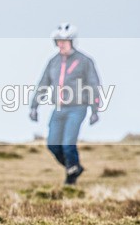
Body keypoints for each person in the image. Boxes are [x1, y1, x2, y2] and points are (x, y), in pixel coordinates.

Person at [29, 23, 101, 185]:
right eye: (58, 41)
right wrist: (34, 106)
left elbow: (94, 85)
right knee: (53, 145)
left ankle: (71, 177)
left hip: (77, 108)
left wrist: (95, 109)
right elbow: (43, 84)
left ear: (72, 41)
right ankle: (74, 167)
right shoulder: (53, 62)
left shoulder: (85, 61)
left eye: (64, 41)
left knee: (68, 144)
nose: (60, 44)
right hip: (59, 108)